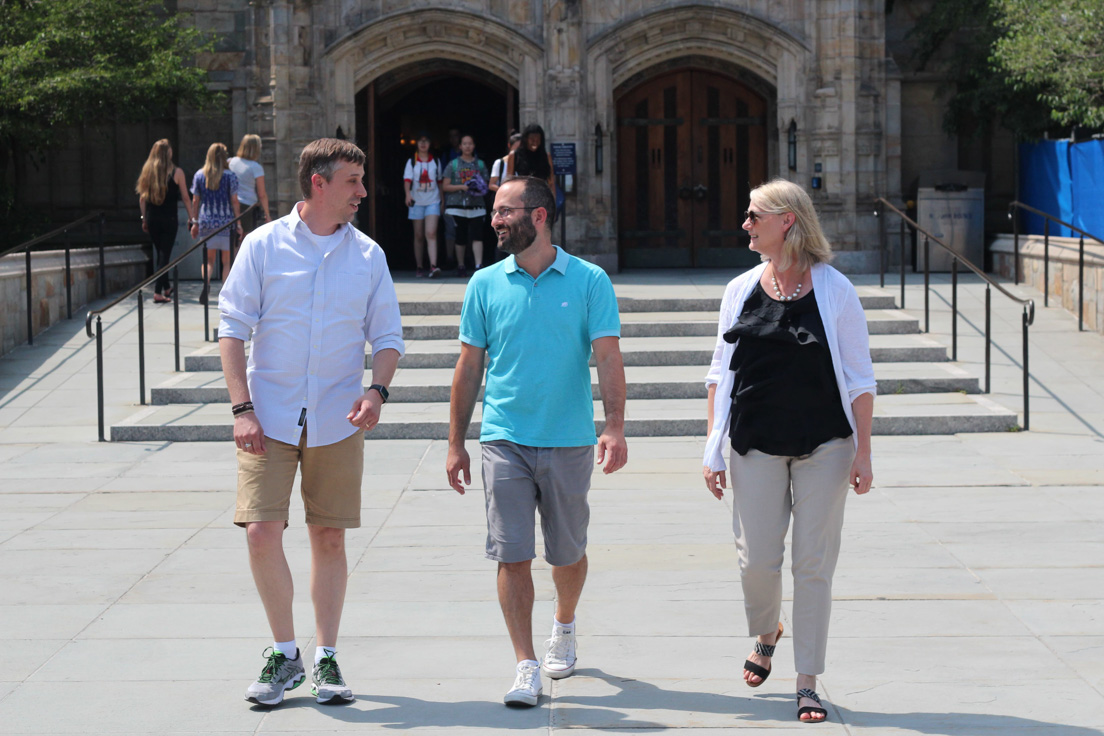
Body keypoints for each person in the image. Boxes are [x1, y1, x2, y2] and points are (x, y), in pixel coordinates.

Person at [217, 138, 405, 708]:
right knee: (260, 531)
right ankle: (284, 653)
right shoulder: (263, 245)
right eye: (352, 180)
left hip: (338, 418)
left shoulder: (368, 255)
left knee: (328, 536)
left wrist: (377, 391)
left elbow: (389, 338)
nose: (363, 192)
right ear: (318, 183)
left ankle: (325, 658)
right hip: (267, 417)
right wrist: (242, 408)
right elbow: (232, 328)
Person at [446, 176, 628, 708]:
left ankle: (564, 623)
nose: (495, 220)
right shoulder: (484, 283)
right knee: (512, 553)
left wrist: (613, 426)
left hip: (569, 438)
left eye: (505, 211)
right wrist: (456, 442)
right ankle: (525, 663)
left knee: (567, 552)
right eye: (495, 212)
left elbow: (609, 358)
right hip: (504, 436)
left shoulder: (590, 280)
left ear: (540, 215)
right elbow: (468, 366)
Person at [701, 179, 875, 724]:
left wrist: (863, 452)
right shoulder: (740, 289)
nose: (746, 224)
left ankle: (807, 682)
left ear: (788, 222)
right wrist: (712, 447)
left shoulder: (835, 290)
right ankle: (767, 628)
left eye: (755, 216)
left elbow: (861, 378)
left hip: (826, 443)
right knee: (757, 561)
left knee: (813, 564)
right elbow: (717, 375)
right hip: (754, 443)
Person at [136, 139, 192, 303]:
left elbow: (142, 199)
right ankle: (157, 292)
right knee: (164, 255)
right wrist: (191, 217)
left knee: (161, 253)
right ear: (168, 153)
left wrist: (143, 219)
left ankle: (166, 286)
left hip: (152, 218)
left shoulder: (147, 172)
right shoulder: (177, 172)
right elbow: (186, 198)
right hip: (169, 219)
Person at [190, 142, 242, 305]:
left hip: (207, 221)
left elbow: (195, 200)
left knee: (208, 260)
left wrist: (194, 221)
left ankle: (206, 284)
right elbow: (235, 201)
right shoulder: (230, 176)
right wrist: (238, 223)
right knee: (227, 260)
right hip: (226, 221)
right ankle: (225, 293)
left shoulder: (200, 175)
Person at [439, 134, 489, 276]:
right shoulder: (453, 164)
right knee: (460, 236)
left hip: (477, 206)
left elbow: (486, 184)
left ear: (474, 146)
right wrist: (463, 186)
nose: (467, 146)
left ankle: (478, 265)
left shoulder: (480, 164)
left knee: (477, 235)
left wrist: (477, 186)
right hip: (457, 206)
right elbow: (445, 186)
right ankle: (461, 265)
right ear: (460, 146)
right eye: (464, 144)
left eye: (470, 143)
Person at [403, 133, 442, 277]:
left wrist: (442, 200)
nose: (423, 144)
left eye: (426, 141)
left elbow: (440, 182)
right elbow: (407, 180)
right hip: (416, 201)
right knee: (418, 235)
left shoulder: (436, 161)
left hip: (433, 200)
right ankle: (419, 266)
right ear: (417, 143)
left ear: (430, 144)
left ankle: (433, 266)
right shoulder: (412, 161)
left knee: (431, 233)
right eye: (420, 141)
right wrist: (408, 194)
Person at [229, 134, 272, 236]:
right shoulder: (255, 167)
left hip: (231, 204)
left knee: (233, 240)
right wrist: (267, 214)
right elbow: (262, 194)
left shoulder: (230, 162)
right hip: (247, 207)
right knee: (245, 239)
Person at [506, 124, 556, 199]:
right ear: (526, 139)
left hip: (541, 196)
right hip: (522, 196)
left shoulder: (546, 156)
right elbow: (509, 181)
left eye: (538, 140)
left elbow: (551, 182)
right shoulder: (514, 155)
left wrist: (553, 202)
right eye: (532, 140)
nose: (535, 143)